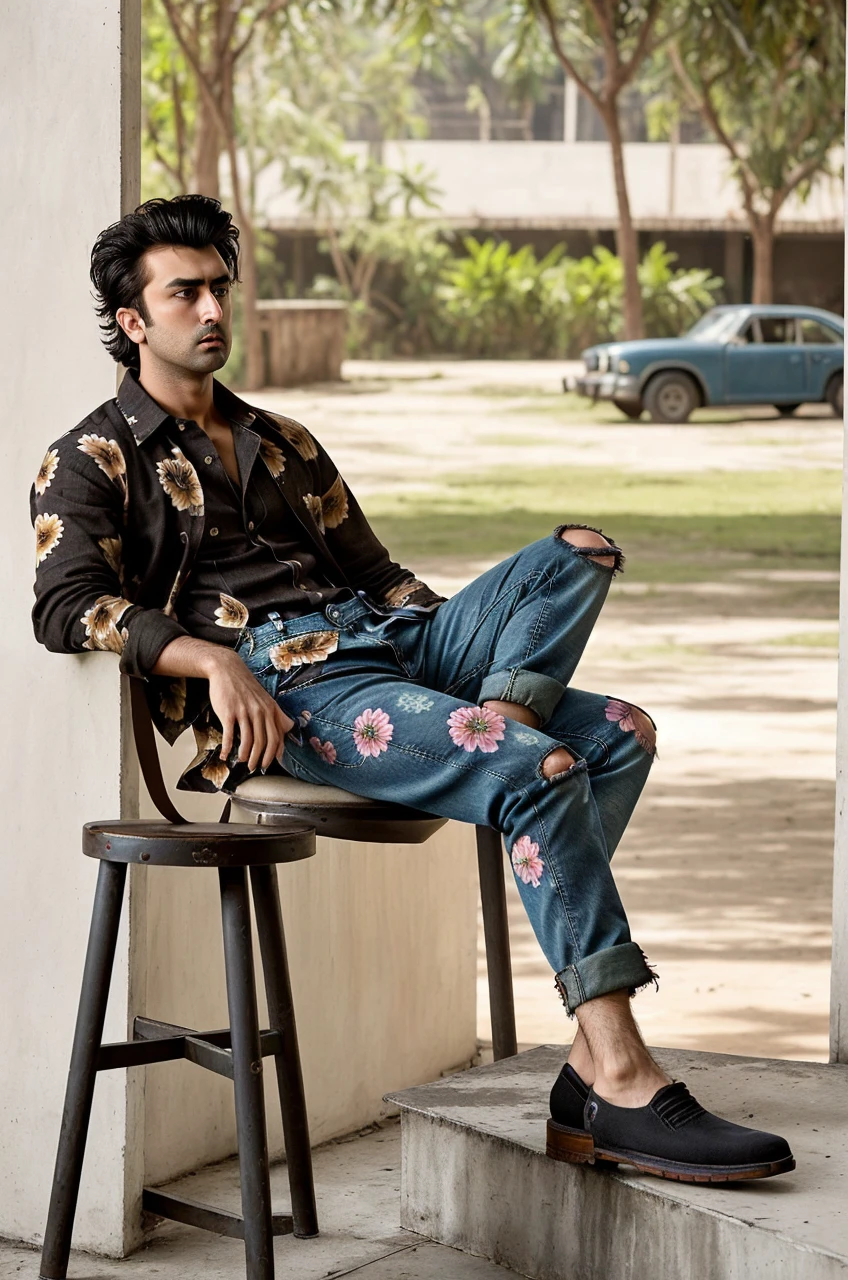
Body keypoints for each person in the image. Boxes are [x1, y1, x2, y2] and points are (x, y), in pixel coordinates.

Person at [31, 195, 794, 1185]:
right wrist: (210, 662)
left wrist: (464, 649)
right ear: (133, 319)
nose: (213, 308)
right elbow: (64, 605)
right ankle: (615, 1065)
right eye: (186, 292)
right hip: (292, 690)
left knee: (594, 628)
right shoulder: (90, 457)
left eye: (221, 285)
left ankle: (497, 746)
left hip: (393, 647)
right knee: (558, 757)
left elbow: (382, 577)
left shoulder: (283, 439)